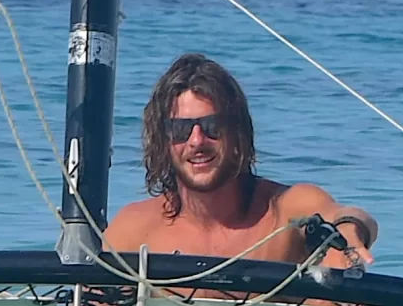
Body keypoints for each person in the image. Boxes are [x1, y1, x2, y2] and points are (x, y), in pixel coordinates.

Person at [98, 53, 379, 268]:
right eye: (180, 129)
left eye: (212, 126)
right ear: (163, 140)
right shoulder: (135, 230)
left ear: (237, 132)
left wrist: (348, 231)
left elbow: (344, 215)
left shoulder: (283, 211)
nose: (196, 141)